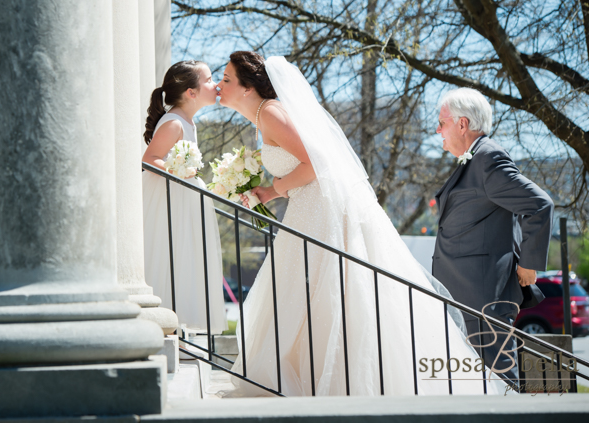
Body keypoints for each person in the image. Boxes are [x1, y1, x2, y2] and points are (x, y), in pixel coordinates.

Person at [218, 51, 503, 396]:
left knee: (327, 294)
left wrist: (269, 191)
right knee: (310, 298)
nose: (220, 85)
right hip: (307, 210)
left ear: (248, 89)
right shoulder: (265, 116)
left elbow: (316, 163)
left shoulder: (272, 114)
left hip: (319, 215)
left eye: (227, 79)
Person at [432, 88, 553, 387]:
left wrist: (528, 263)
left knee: (500, 384)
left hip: (483, 301)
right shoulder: (473, 161)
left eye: (442, 122)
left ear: (462, 124)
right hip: (465, 298)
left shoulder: (488, 158)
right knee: (474, 386)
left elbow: (539, 204)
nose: (438, 130)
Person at [142, 60, 225, 333]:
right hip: (169, 200)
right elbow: (150, 158)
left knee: (185, 259)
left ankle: (179, 325)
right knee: (169, 255)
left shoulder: (188, 122)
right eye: (210, 80)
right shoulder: (174, 123)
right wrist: (179, 171)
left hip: (182, 200)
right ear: (191, 92)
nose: (216, 85)